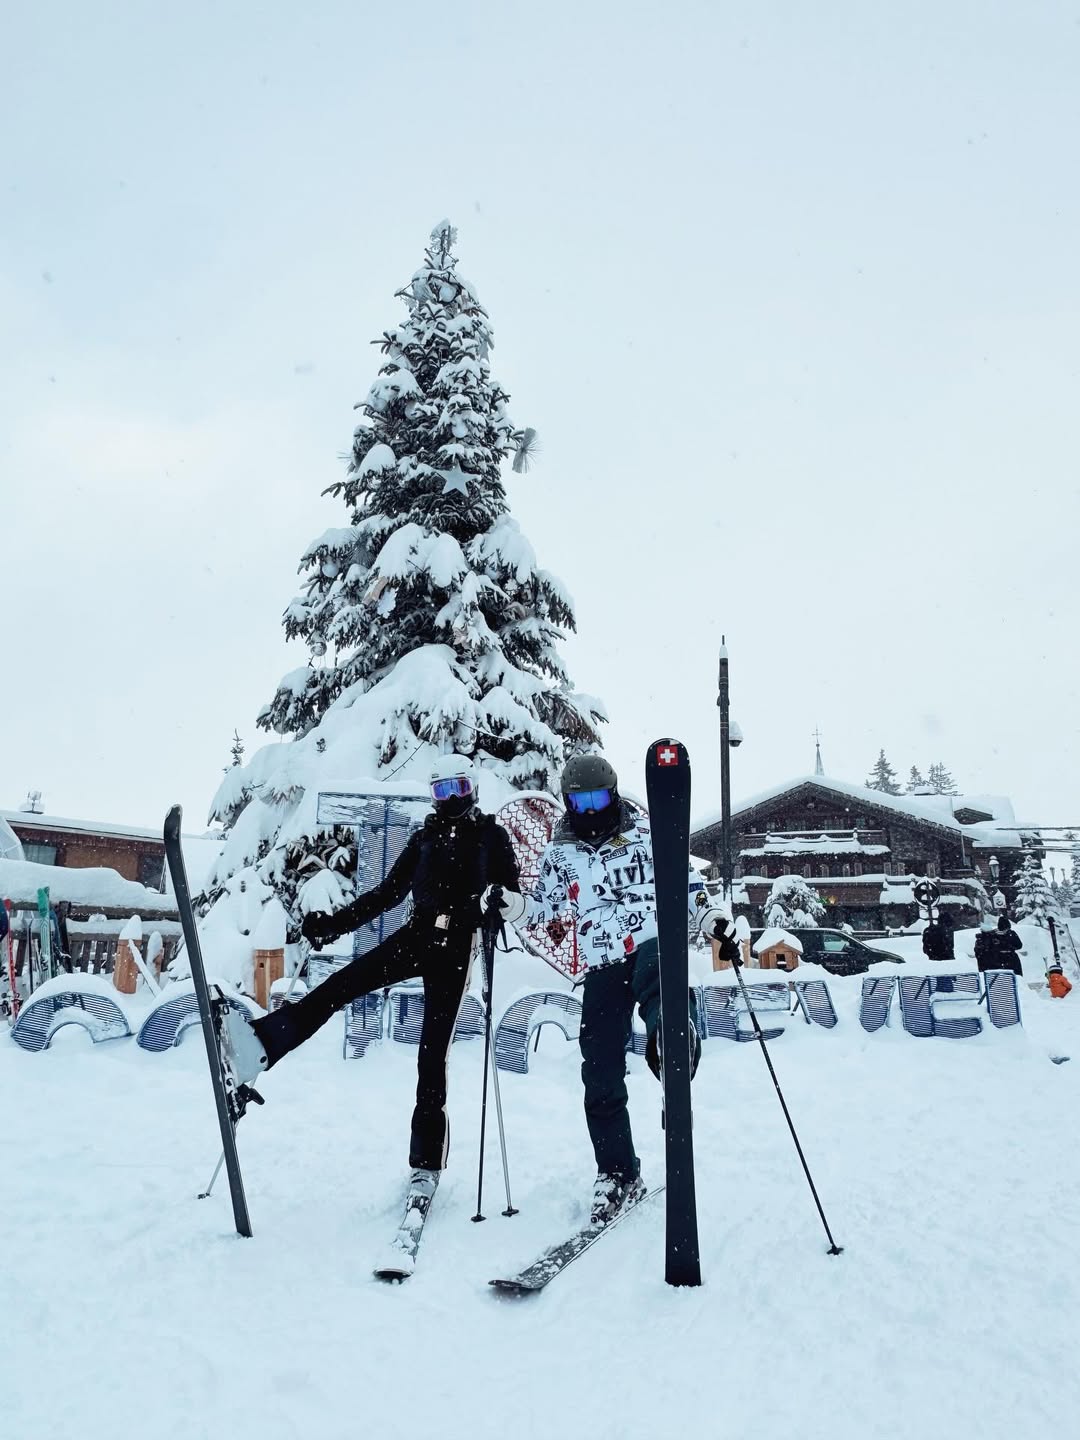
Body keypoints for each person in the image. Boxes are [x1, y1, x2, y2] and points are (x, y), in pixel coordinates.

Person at [222, 754, 524, 1192]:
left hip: (458, 948)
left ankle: (425, 1163)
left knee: (431, 1055)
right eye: (442, 790)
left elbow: (511, 894)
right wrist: (331, 925)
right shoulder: (424, 839)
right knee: (341, 985)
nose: (452, 798)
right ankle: (264, 1044)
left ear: (473, 788)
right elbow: (385, 895)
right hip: (417, 934)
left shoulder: (492, 837)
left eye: (458, 787)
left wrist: (497, 902)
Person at [484, 753, 737, 1228]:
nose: (589, 808)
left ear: (614, 794)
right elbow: (544, 909)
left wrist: (713, 921)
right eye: (579, 800)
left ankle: (673, 1037)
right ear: (567, 802)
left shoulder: (646, 834)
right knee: (598, 1067)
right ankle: (618, 1171)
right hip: (600, 960)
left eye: (598, 797)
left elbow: (688, 885)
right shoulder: (561, 853)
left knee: (659, 976)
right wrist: (511, 903)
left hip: (649, 939)